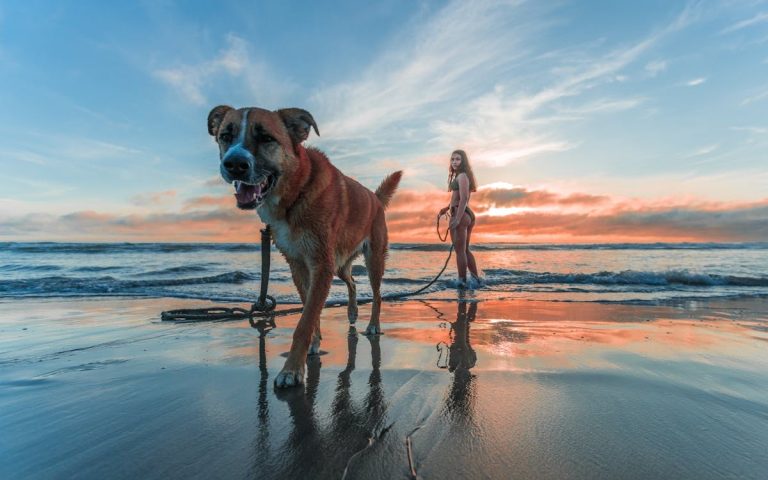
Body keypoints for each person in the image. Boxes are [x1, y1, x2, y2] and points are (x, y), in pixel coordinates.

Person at [438, 149, 481, 287]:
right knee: (465, 250)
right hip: (464, 213)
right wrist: (446, 208)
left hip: (461, 214)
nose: (454, 162)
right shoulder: (461, 175)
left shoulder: (462, 176)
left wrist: (457, 218)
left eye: (457, 159)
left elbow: (464, 199)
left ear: (463, 161)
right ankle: (476, 280)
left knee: (460, 251)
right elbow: (457, 198)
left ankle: (462, 282)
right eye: (452, 159)